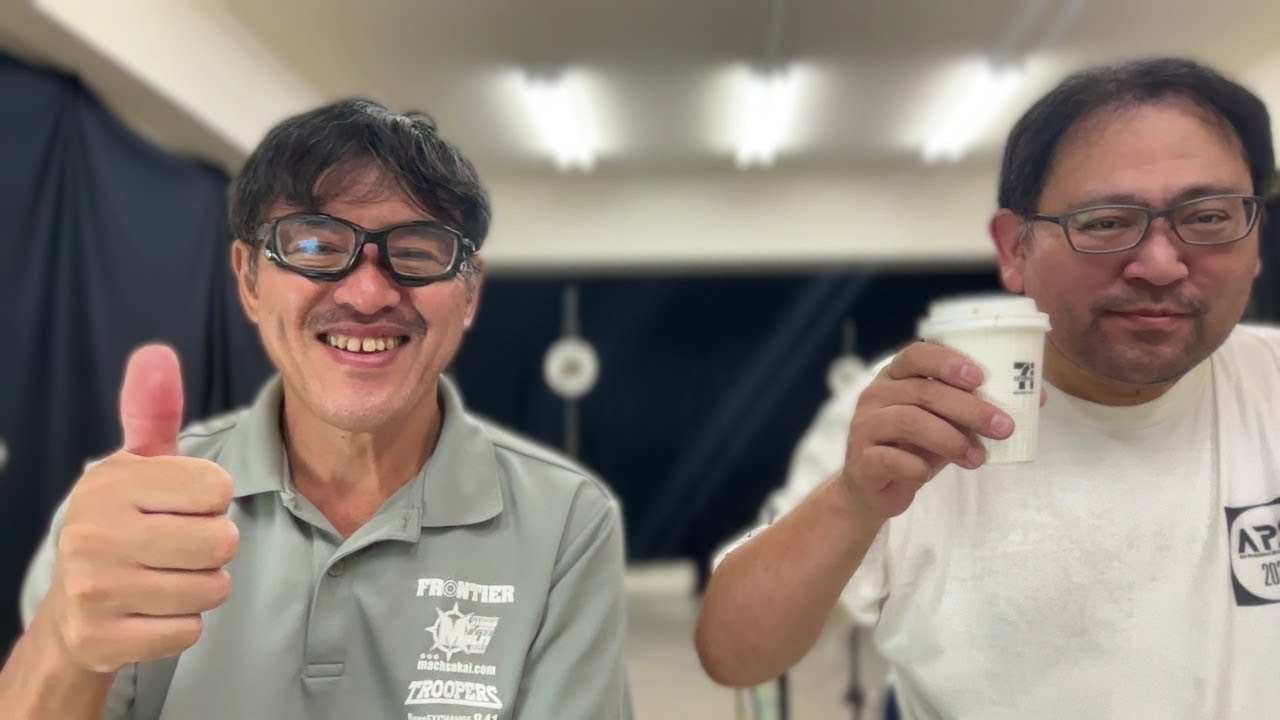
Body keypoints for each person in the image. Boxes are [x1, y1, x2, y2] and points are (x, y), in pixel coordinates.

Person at [0, 100, 633, 719]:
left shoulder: (564, 522)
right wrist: (66, 643)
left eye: (417, 252)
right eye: (315, 245)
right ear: (249, 279)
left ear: (468, 294)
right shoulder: (134, 510)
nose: (368, 294)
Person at [695, 57, 1280, 718]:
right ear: (1014, 249)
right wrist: (854, 499)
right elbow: (736, 654)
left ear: (1256, 238)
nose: (1160, 264)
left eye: (1208, 216)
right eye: (1106, 222)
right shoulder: (913, 410)